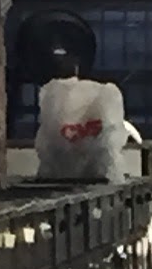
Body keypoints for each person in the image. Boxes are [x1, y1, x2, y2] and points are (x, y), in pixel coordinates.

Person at [32, 50, 131, 183]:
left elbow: (47, 143)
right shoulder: (105, 94)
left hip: (56, 179)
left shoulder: (51, 96)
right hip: (101, 178)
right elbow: (110, 138)